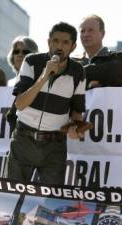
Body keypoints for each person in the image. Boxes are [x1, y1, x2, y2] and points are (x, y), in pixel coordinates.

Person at [6, 22, 86, 184]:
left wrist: (76, 128)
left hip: (55, 146)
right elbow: (20, 104)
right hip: (23, 140)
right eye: (55, 41)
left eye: (65, 42)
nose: (59, 46)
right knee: (12, 198)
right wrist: (44, 77)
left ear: (73, 46)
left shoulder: (78, 71)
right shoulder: (31, 61)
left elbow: (77, 111)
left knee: (51, 202)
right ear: (48, 42)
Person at [74, 14, 122, 89]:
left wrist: (75, 73)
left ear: (102, 34)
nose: (86, 34)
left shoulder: (117, 58)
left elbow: (114, 74)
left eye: (90, 30)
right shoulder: (74, 62)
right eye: (82, 31)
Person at [6, 36, 39, 134]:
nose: (20, 54)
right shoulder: (8, 83)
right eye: (16, 51)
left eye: (25, 52)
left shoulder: (39, 83)